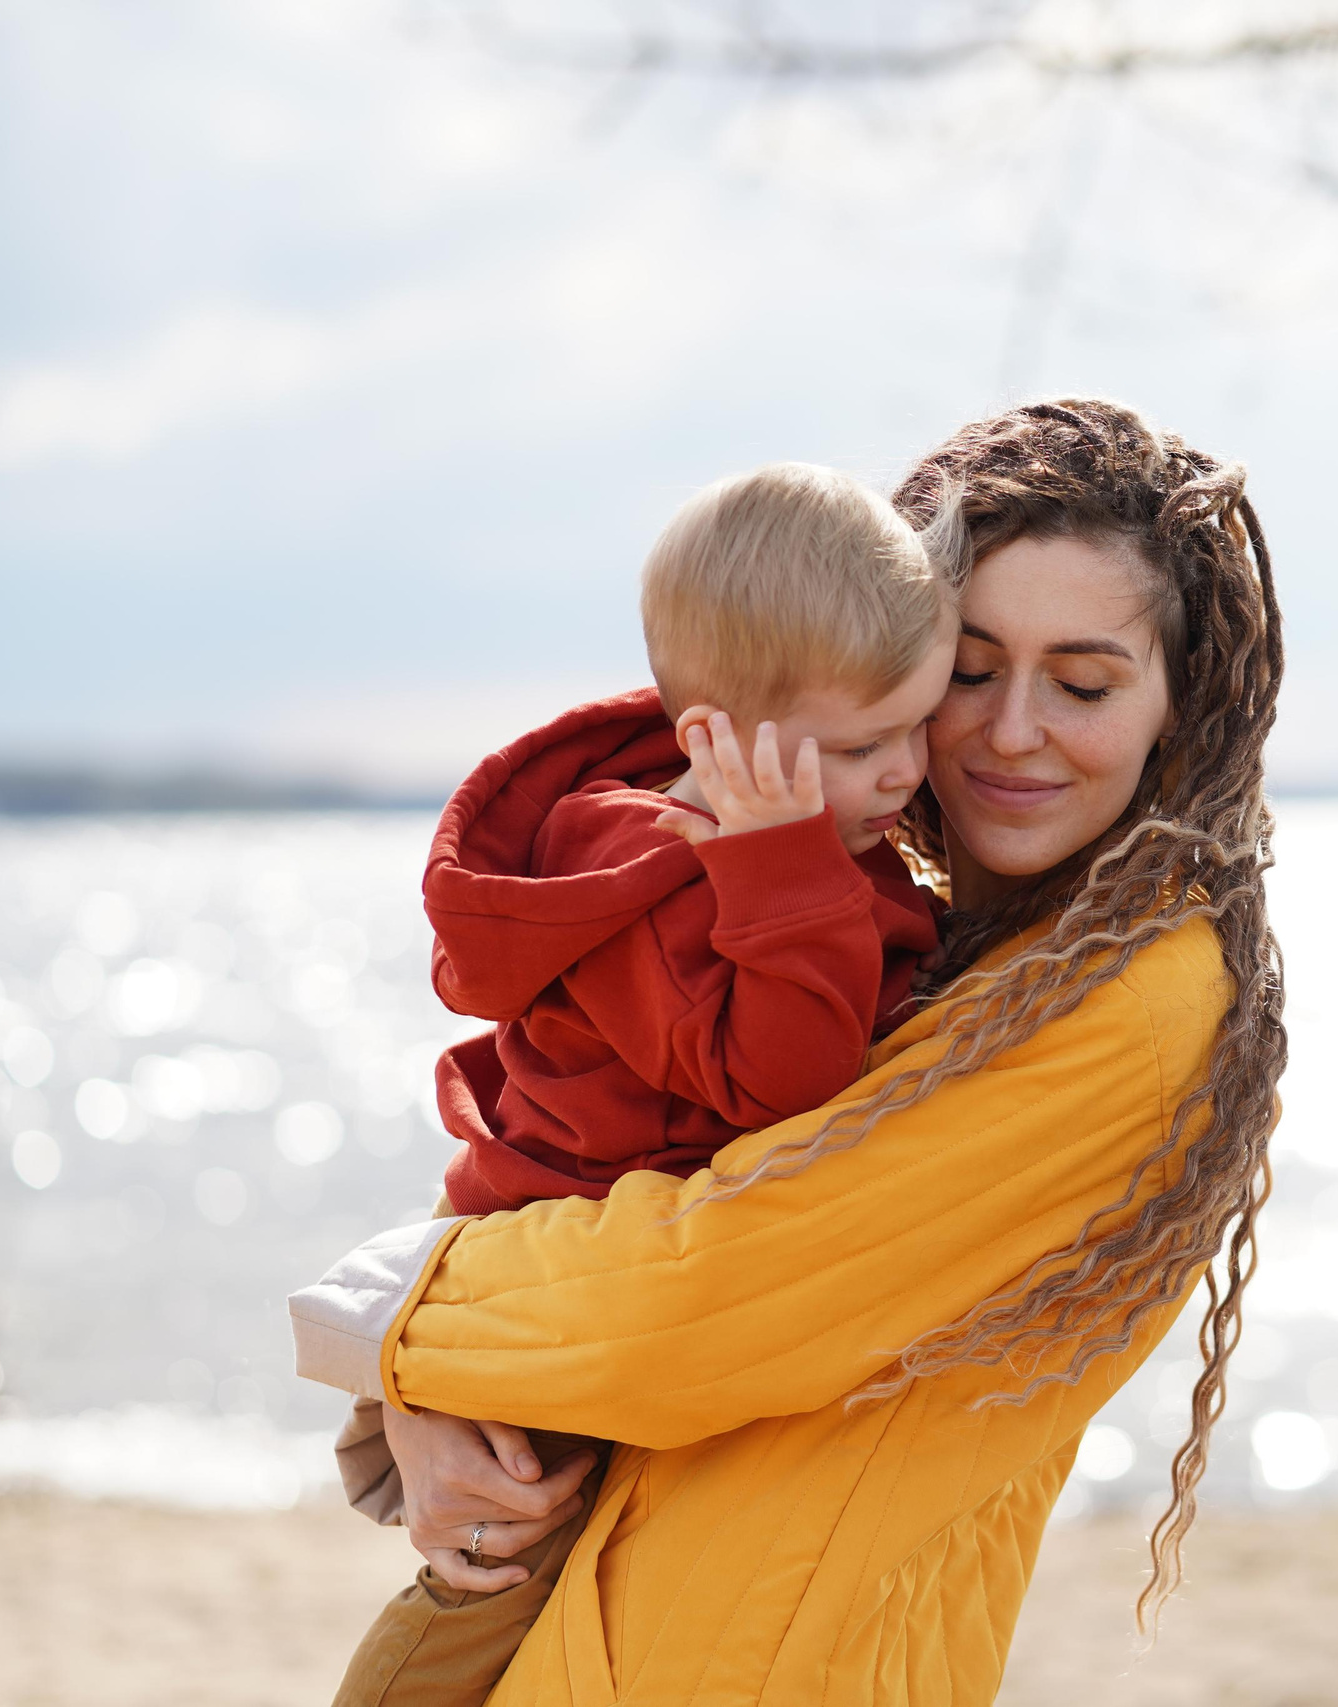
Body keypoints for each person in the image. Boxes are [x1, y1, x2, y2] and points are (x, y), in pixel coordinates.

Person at [292, 399, 1286, 1706]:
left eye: (1086, 682)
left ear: (1182, 704)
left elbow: (695, 1303)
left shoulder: (1137, 1009)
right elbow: (598, 1129)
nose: (1008, 728)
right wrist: (430, 1412)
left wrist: (395, 1318)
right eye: (969, 671)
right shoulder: (914, 928)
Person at [333, 463, 962, 1704]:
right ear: (710, 745)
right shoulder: (664, 882)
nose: (907, 772)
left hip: (625, 1272)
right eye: (861, 745)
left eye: (919, 725)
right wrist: (784, 875)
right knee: (493, 1579)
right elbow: (782, 1080)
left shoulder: (808, 830)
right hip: (560, 1277)